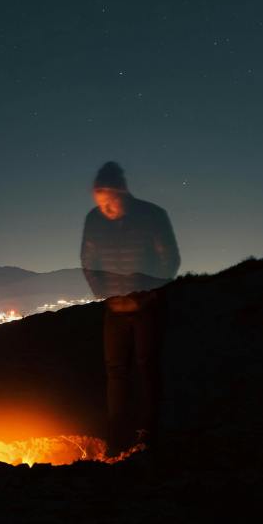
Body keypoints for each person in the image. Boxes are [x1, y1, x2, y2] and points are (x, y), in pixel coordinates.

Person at [80, 161, 180, 457]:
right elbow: (88, 262)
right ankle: (117, 434)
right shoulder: (94, 220)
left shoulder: (152, 215)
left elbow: (170, 260)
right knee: (116, 371)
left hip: (146, 307)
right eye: (100, 204)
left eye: (109, 202)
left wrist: (146, 296)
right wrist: (106, 296)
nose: (105, 210)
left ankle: (149, 432)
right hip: (114, 309)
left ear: (122, 192)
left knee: (147, 366)